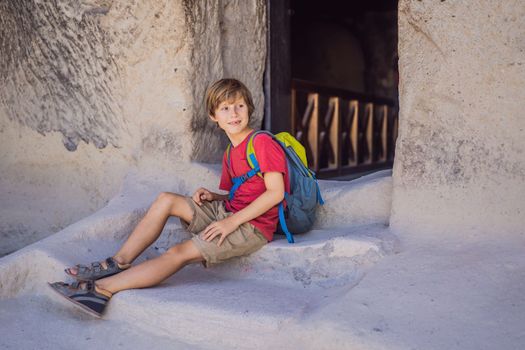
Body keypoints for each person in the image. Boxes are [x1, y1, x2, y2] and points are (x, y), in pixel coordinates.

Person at [48, 78, 290, 318]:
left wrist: (230, 222)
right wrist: (213, 196)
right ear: (213, 116)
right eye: (225, 108)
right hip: (229, 211)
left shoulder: (261, 143)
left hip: (252, 226)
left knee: (178, 253)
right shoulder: (231, 151)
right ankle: (118, 262)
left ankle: (101, 291)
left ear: (249, 108)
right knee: (167, 199)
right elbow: (245, 191)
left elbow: (275, 193)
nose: (234, 114)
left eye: (239, 106)